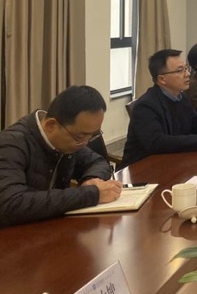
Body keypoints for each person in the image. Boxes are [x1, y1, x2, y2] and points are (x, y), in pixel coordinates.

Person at [0, 86, 122, 227]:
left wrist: (91, 180)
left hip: (51, 225)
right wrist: (90, 195)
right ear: (51, 125)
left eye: (92, 135)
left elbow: (98, 162)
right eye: (80, 136)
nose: (85, 143)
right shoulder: (11, 144)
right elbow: (11, 205)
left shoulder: (69, 140)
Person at [121, 49, 197, 168]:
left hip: (172, 160)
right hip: (143, 168)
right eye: (180, 71)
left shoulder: (181, 96)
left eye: (186, 68)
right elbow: (157, 142)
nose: (187, 74)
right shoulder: (146, 106)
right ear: (162, 79)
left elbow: (196, 120)